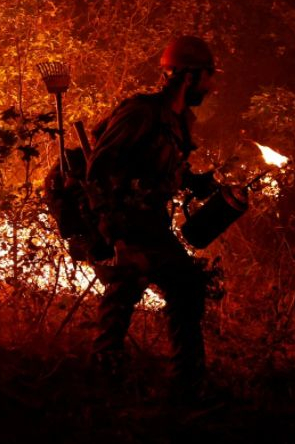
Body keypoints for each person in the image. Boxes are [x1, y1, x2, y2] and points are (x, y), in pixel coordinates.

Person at [84, 35, 239, 399]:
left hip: (151, 220)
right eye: (208, 76)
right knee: (136, 279)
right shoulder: (141, 112)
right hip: (124, 217)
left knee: (184, 286)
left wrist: (195, 181)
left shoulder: (180, 119)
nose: (212, 85)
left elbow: (163, 165)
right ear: (188, 76)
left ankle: (183, 382)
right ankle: (113, 373)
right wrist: (114, 235)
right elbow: (99, 168)